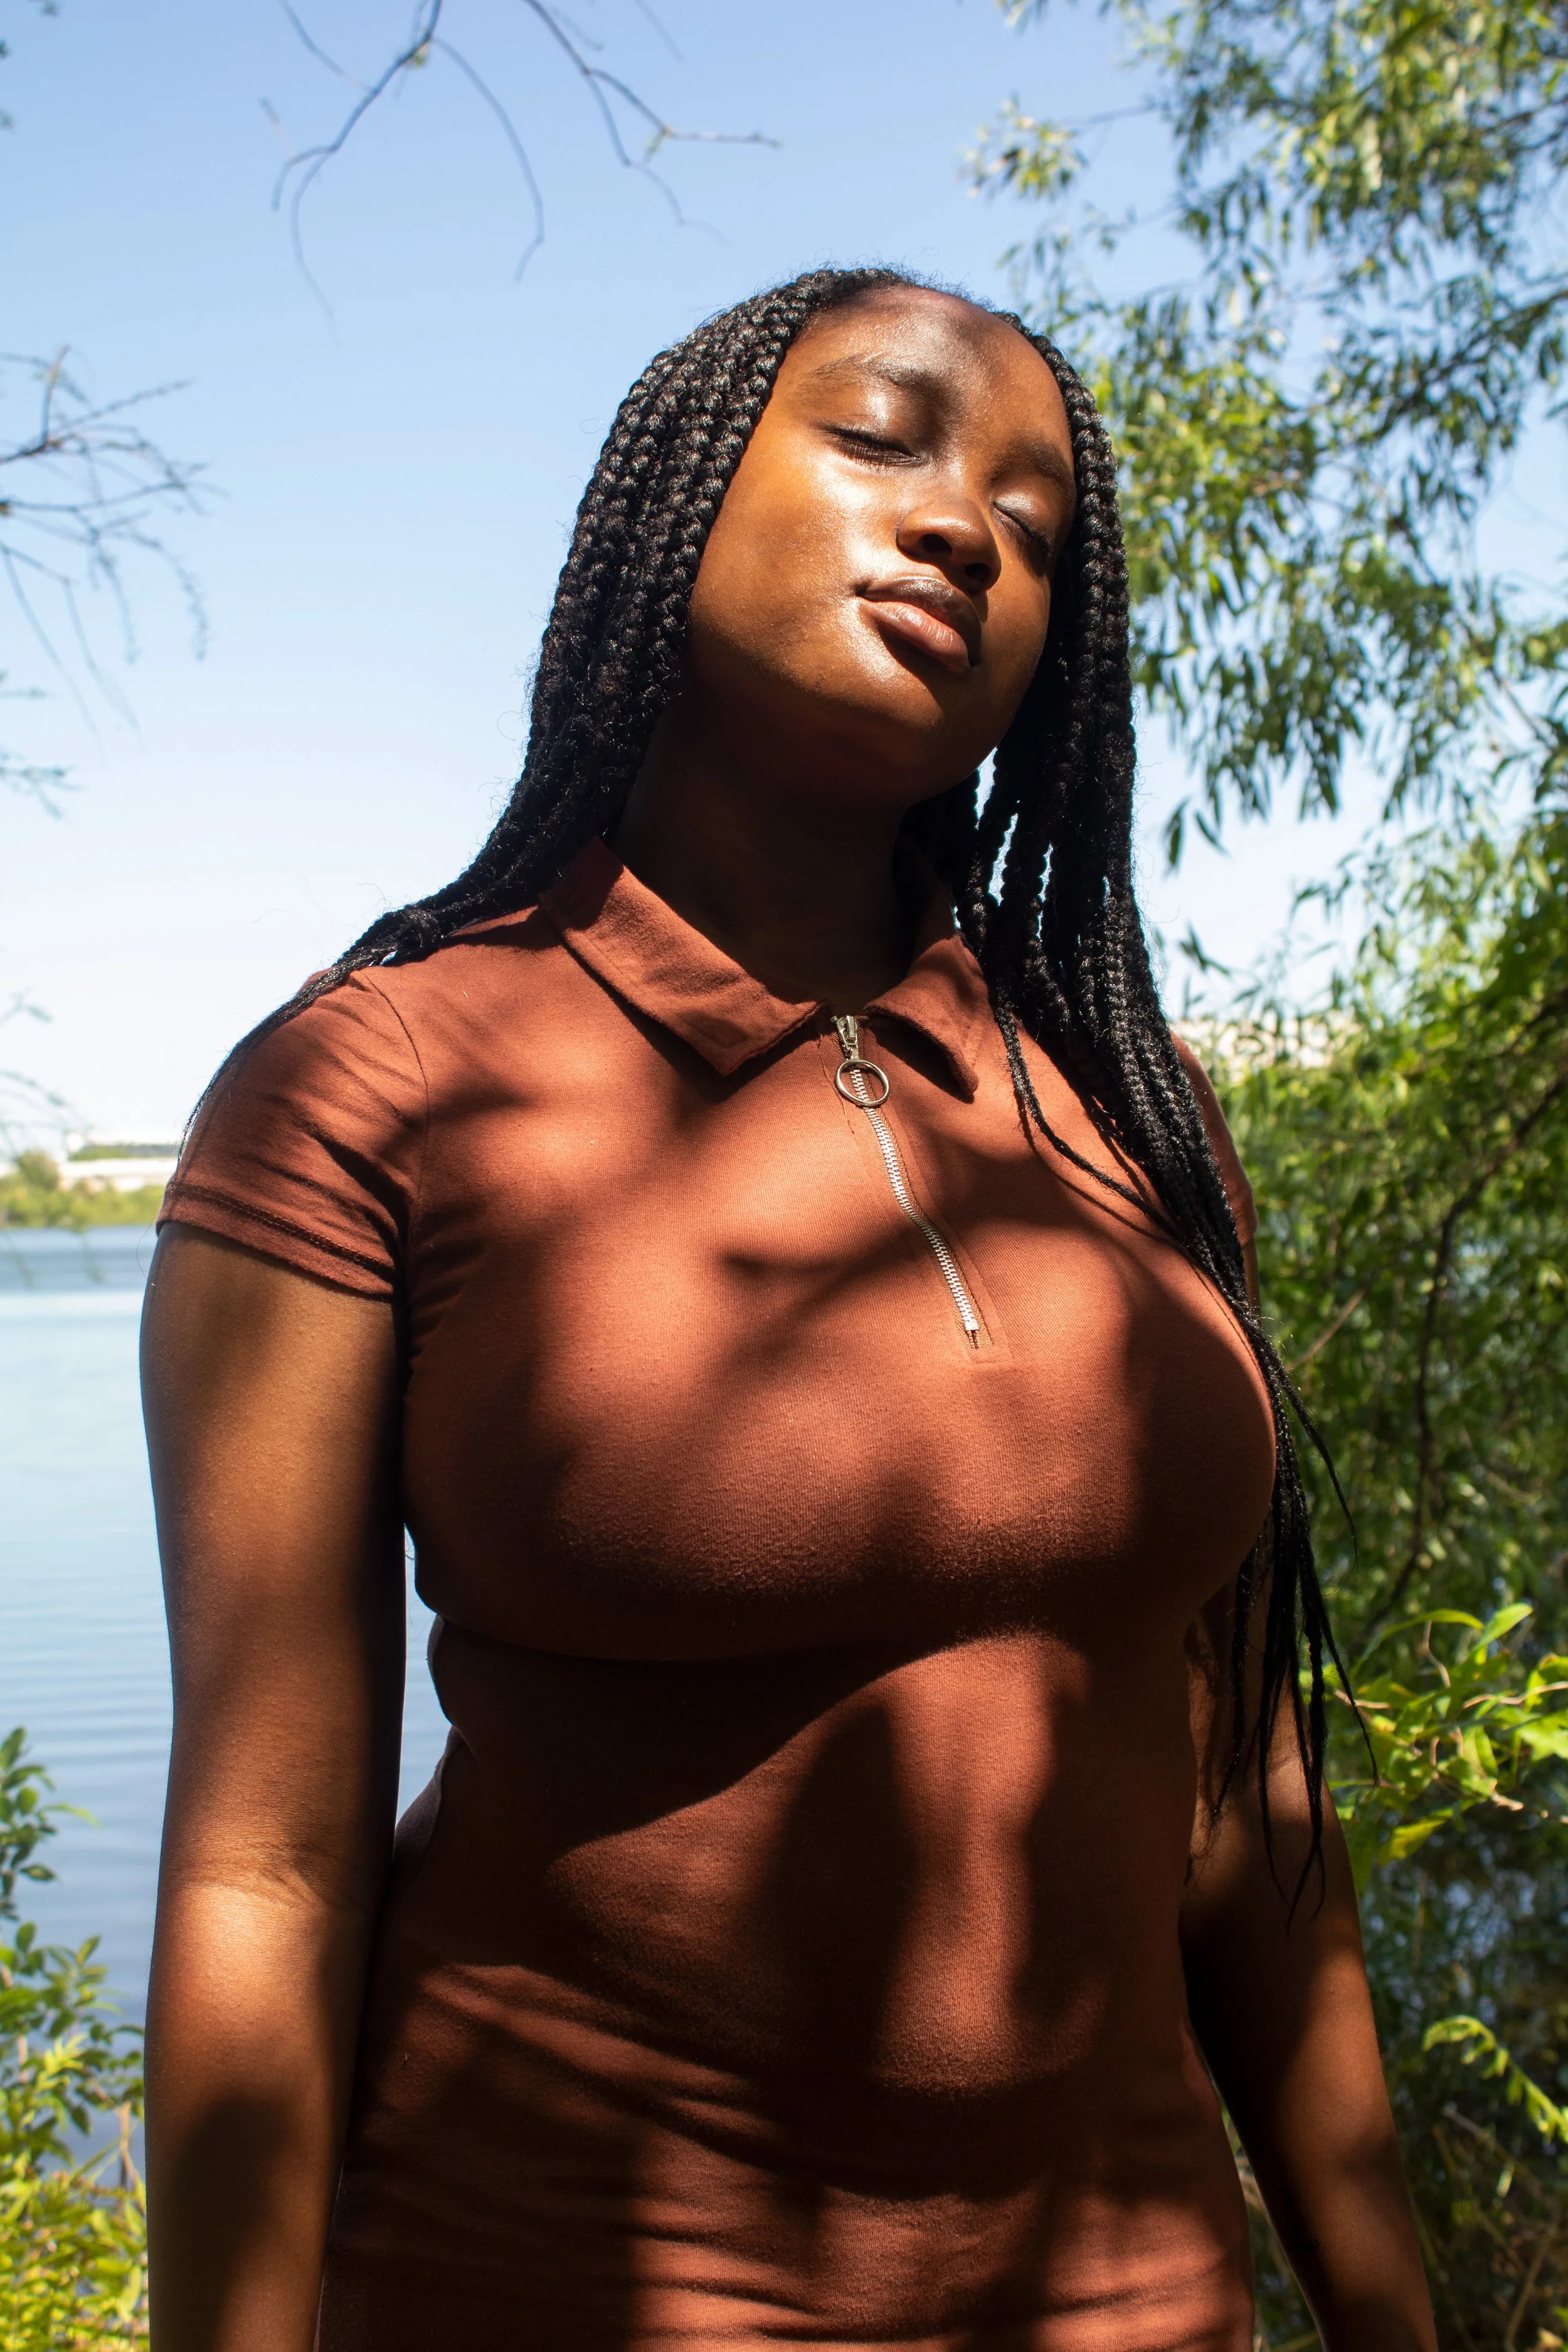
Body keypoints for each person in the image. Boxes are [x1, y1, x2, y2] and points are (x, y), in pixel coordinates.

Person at [140, 265, 1438, 2352]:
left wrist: (1389, 2315)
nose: (962, 531)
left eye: (1034, 527)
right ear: (669, 500)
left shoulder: (1124, 1104)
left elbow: (1243, 1795)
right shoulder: (373, 1089)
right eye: (879, 437)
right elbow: (262, 1877)